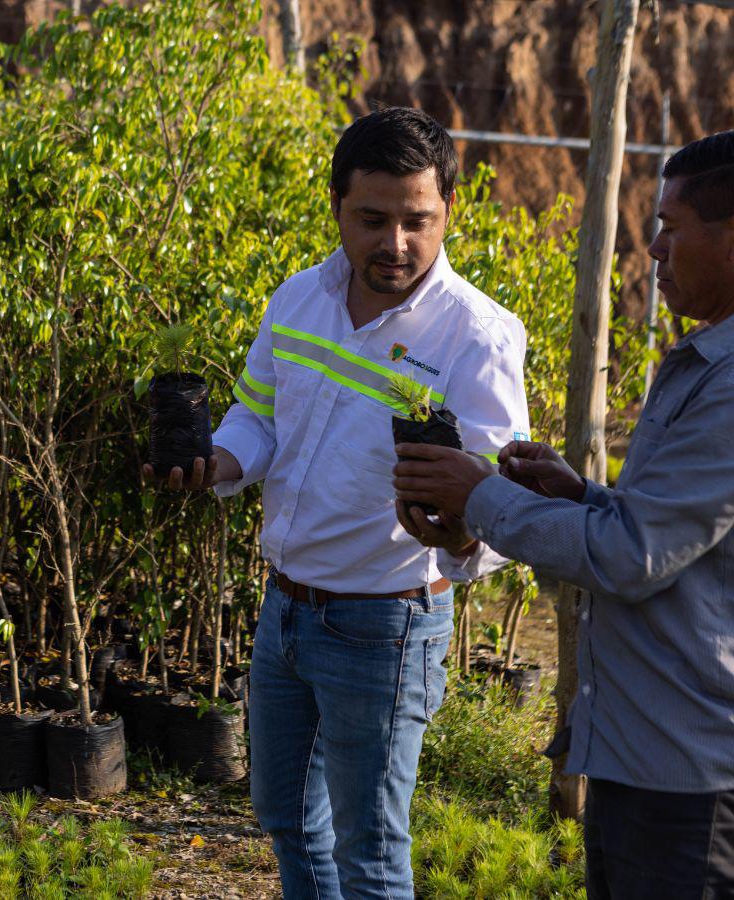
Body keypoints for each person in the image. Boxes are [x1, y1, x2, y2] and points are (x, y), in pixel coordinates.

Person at [146, 107, 530, 898]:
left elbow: (500, 499)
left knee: (370, 854)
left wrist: (460, 529)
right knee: (287, 821)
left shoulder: (476, 335)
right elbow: (257, 416)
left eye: (417, 221)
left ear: (448, 211)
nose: (396, 244)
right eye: (373, 219)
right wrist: (216, 461)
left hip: (384, 626)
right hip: (284, 610)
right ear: (337, 208)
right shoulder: (300, 299)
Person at [391, 130, 734, 898]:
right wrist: (580, 495)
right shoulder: (704, 363)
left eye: (673, 228)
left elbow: (631, 556)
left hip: (689, 776)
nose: (653, 250)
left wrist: (479, 494)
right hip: (644, 751)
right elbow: (677, 534)